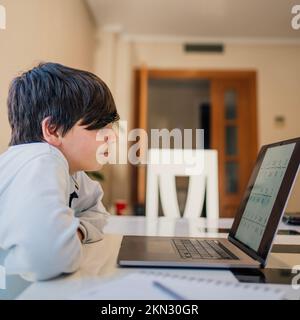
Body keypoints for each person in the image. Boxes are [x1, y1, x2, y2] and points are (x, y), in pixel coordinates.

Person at [0, 62, 119, 280]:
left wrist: (77, 231)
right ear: (52, 129)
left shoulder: (69, 170)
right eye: (100, 126)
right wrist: (67, 237)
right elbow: (49, 258)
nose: (112, 137)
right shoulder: (41, 159)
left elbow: (98, 212)